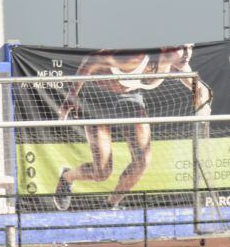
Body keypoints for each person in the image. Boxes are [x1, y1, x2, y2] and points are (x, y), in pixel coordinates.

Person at [52, 44, 212, 210]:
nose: (187, 54)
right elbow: (91, 59)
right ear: (165, 46)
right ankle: (67, 177)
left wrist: (204, 105)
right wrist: (71, 96)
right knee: (102, 172)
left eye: (190, 47)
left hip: (130, 98)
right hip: (98, 97)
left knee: (143, 160)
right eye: (182, 48)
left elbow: (200, 88)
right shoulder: (136, 57)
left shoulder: (178, 63)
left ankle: (110, 205)